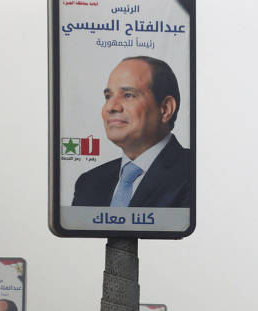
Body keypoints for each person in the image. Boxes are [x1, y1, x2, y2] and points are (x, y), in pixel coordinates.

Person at [72, 56, 191, 207]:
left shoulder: (195, 173)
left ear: (165, 109)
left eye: (128, 95)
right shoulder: (89, 183)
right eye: (108, 96)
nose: (110, 107)